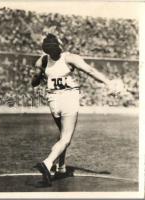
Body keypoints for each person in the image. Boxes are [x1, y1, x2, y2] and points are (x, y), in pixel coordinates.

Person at [32, 34, 121, 186]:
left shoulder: (42, 60)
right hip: (69, 99)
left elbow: (34, 82)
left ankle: (60, 167)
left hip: (53, 101)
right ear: (59, 44)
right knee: (66, 138)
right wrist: (108, 82)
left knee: (62, 134)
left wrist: (41, 75)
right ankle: (47, 163)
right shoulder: (69, 57)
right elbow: (90, 71)